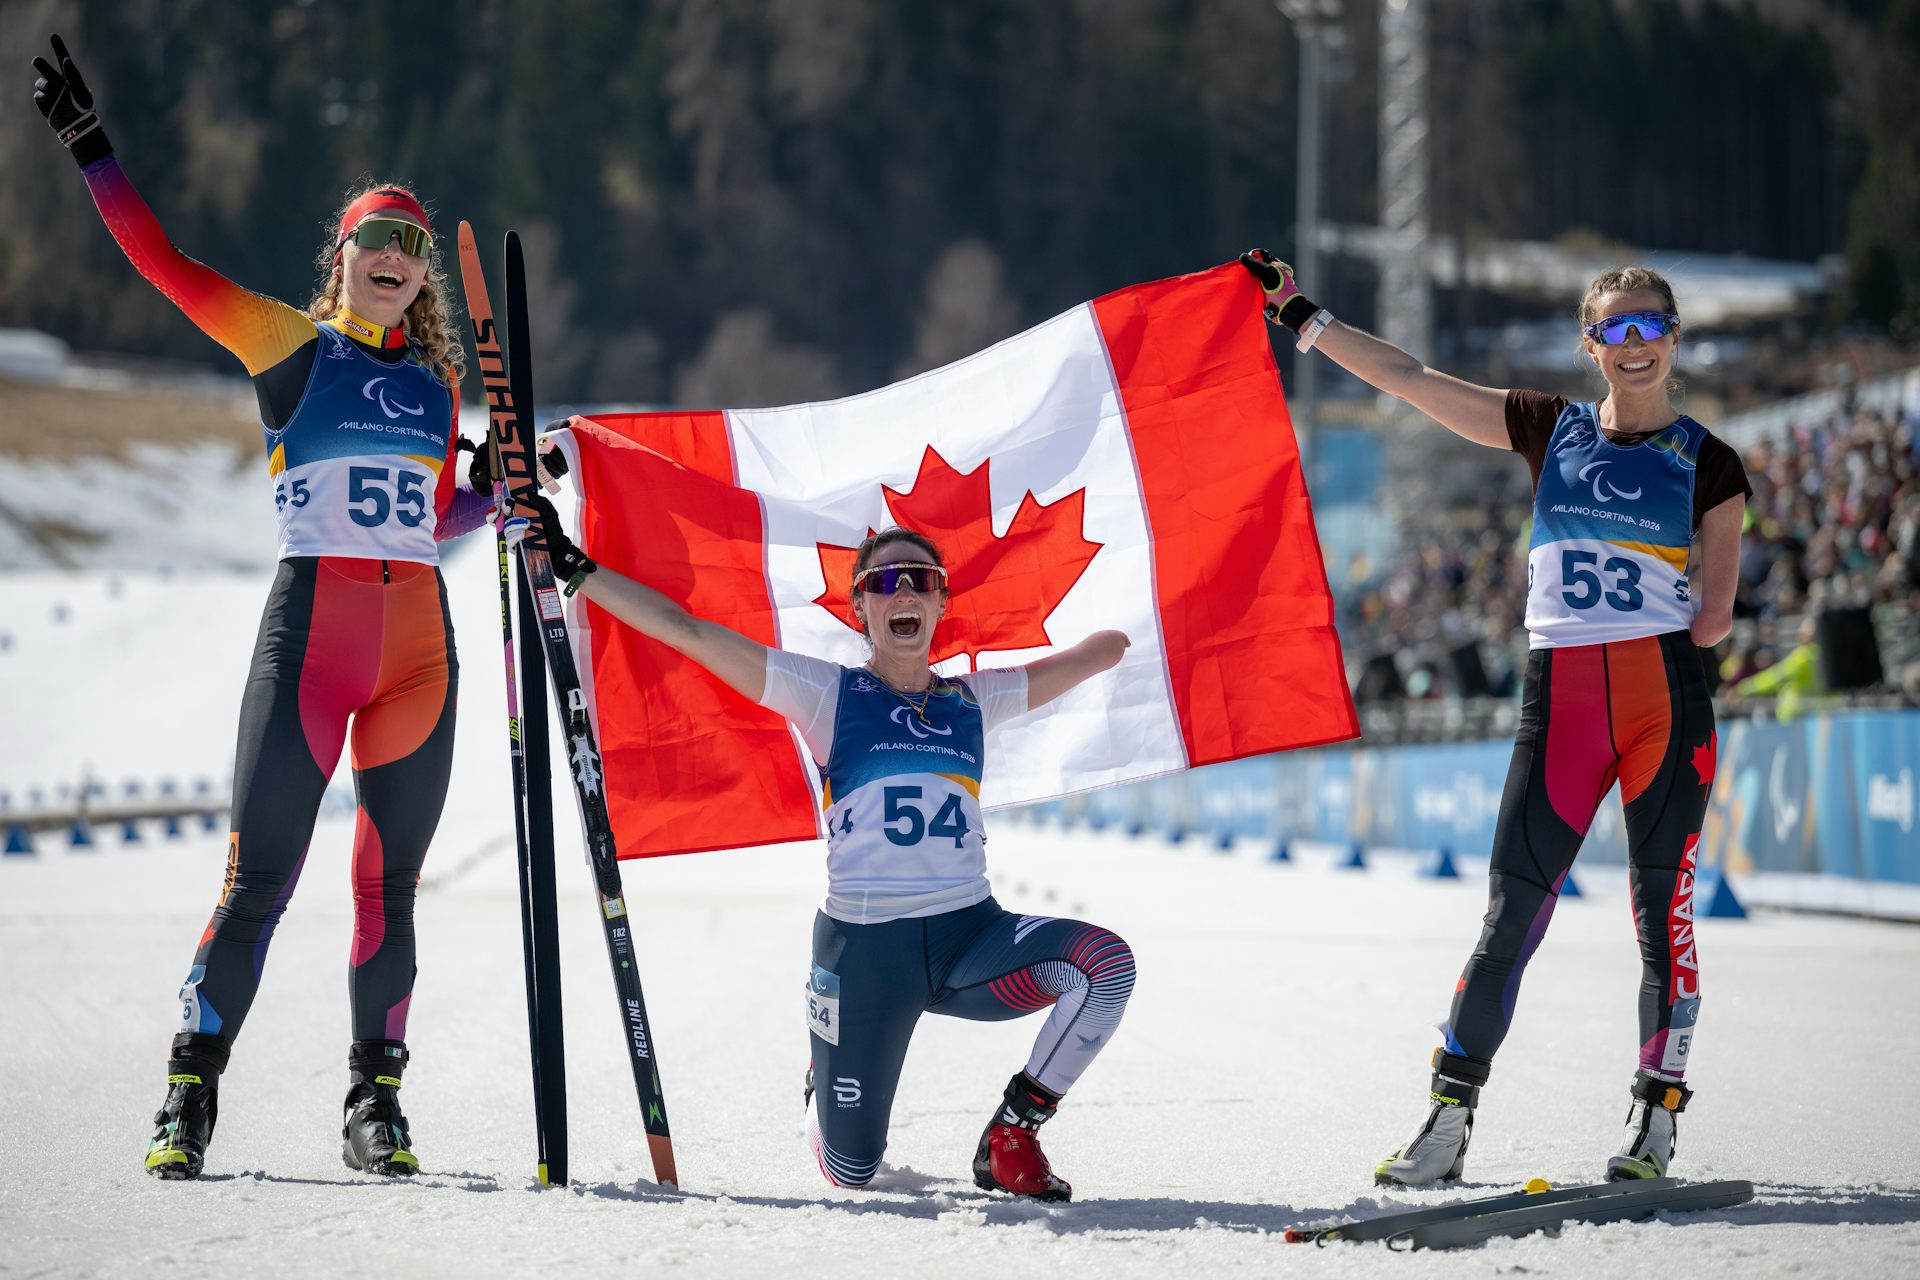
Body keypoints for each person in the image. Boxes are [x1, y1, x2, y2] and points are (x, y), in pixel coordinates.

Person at [34, 35, 495, 1179]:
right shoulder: (290, 347)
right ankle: (189, 1090)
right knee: (258, 882)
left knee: (388, 888)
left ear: (424, 277)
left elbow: (424, 524)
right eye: (375, 238)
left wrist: (488, 493)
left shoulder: (437, 389)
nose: (394, 255)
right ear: (340, 260)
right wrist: (93, 151)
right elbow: (165, 265)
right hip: (313, 644)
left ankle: (374, 1103)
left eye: (411, 245)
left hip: (419, 659)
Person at [1240, 250, 1750, 1183]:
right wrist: (1302, 316)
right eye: (1615, 329)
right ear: (1589, 345)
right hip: (1561, 703)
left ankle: (1655, 1119)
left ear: (1673, 339)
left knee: (1658, 915)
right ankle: (1447, 1118)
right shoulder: (1544, 428)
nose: (1634, 345)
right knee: (1511, 911)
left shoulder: (1713, 466)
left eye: (1650, 328)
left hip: (1661, 707)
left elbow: (1715, 622)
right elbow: (1408, 379)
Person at [509, 501, 1136, 1201]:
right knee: (853, 1173)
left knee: (1105, 966)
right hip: (866, 953)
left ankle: (1013, 1132)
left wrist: (1142, 601)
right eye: (884, 582)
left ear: (940, 602)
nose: (903, 592)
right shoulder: (830, 695)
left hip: (970, 936)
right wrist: (576, 568)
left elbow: (1103, 649)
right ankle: (821, 1083)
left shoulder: (972, 701)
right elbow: (688, 632)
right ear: (860, 607)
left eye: (920, 580)